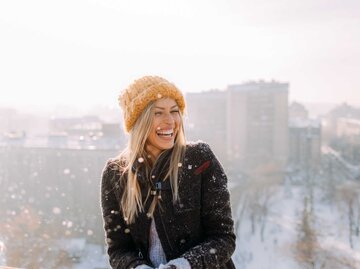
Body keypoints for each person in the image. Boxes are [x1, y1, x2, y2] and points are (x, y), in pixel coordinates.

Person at [100, 76, 236, 269]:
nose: (170, 121)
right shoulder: (115, 173)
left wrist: (183, 265)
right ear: (139, 120)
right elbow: (118, 250)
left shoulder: (200, 159)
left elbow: (223, 239)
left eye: (175, 111)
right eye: (158, 113)